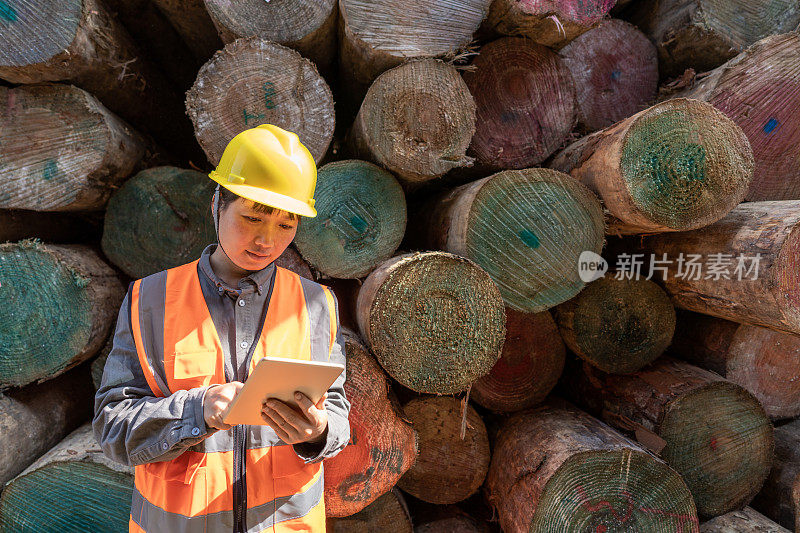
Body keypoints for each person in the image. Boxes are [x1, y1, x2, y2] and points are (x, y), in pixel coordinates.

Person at [93, 124, 350, 533]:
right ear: (217, 204)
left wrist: (319, 432)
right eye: (252, 217)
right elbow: (112, 427)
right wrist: (198, 410)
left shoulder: (316, 304)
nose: (266, 240)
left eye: (287, 224)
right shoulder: (150, 301)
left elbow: (337, 414)